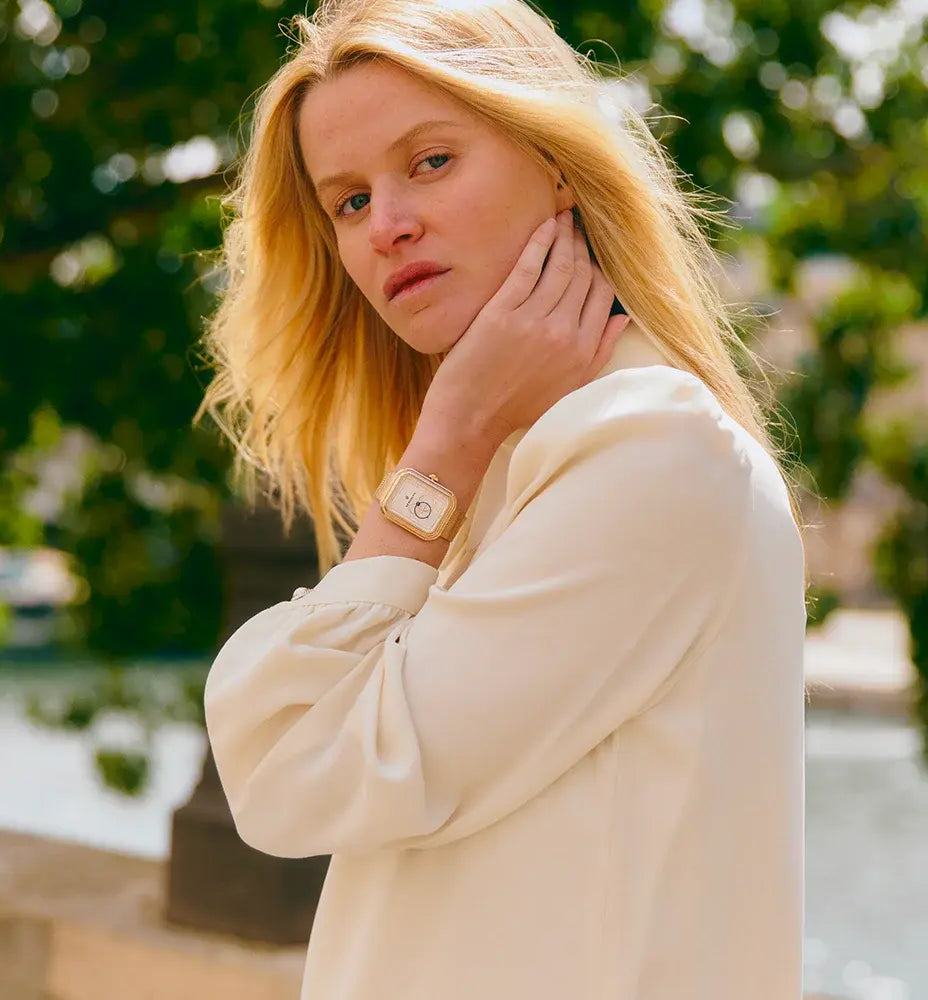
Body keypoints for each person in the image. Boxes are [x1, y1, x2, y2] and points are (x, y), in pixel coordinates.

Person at [194, 1, 810, 997]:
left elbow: (288, 765)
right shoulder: (542, 457)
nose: (387, 224)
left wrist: (443, 446)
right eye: (348, 201)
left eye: (430, 161)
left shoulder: (649, 451)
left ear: (555, 160)